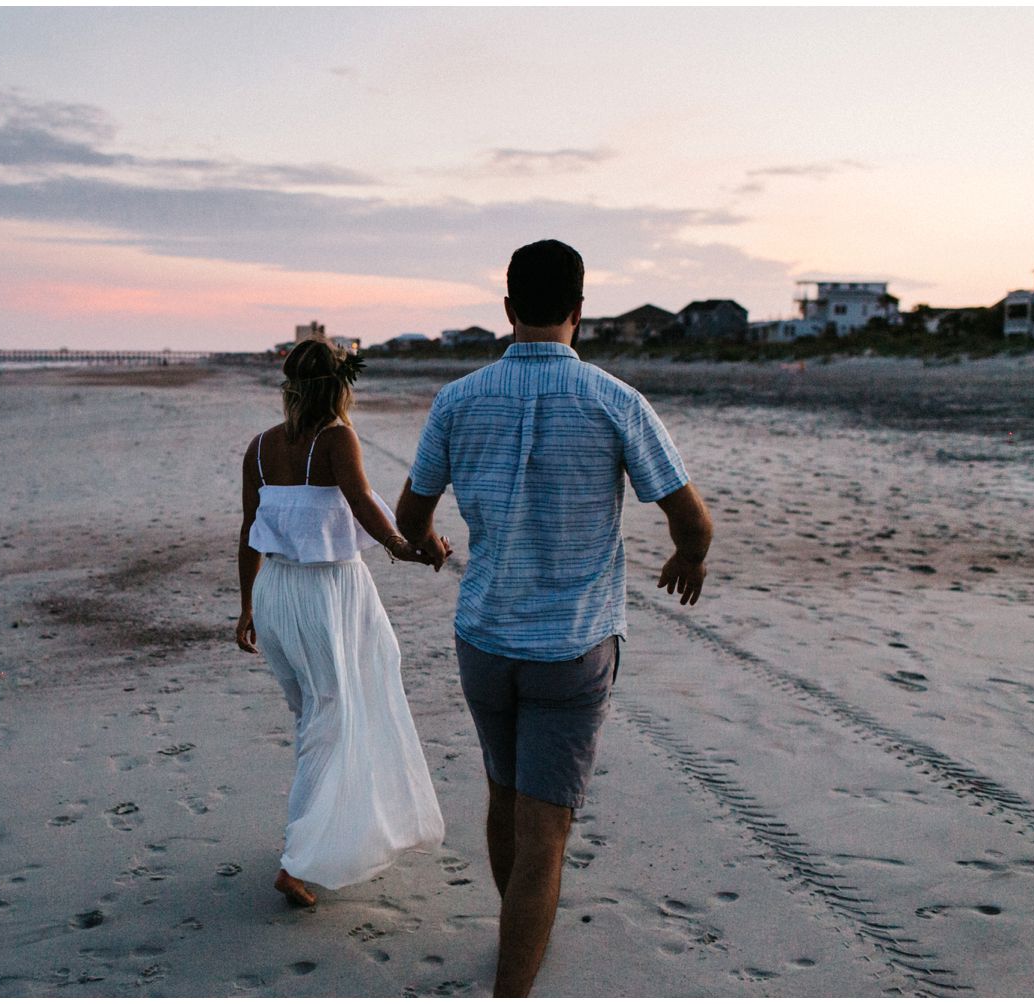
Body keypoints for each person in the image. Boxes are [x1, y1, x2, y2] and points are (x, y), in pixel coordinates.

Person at [395, 239, 714, 996]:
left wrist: (432, 542)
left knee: (504, 796)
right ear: (580, 311)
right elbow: (692, 521)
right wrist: (688, 559)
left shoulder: (459, 399)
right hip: (571, 648)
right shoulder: (614, 399)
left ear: (507, 310)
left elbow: (412, 516)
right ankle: (514, 982)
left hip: (484, 640)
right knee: (546, 832)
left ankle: (520, 932)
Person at [236, 338, 450, 908]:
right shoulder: (336, 436)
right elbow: (363, 505)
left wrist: (247, 605)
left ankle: (320, 834)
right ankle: (299, 858)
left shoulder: (259, 448)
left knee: (318, 713)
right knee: (330, 712)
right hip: (327, 592)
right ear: (340, 386)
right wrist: (407, 548)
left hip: (275, 590)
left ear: (289, 389)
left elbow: (248, 532)